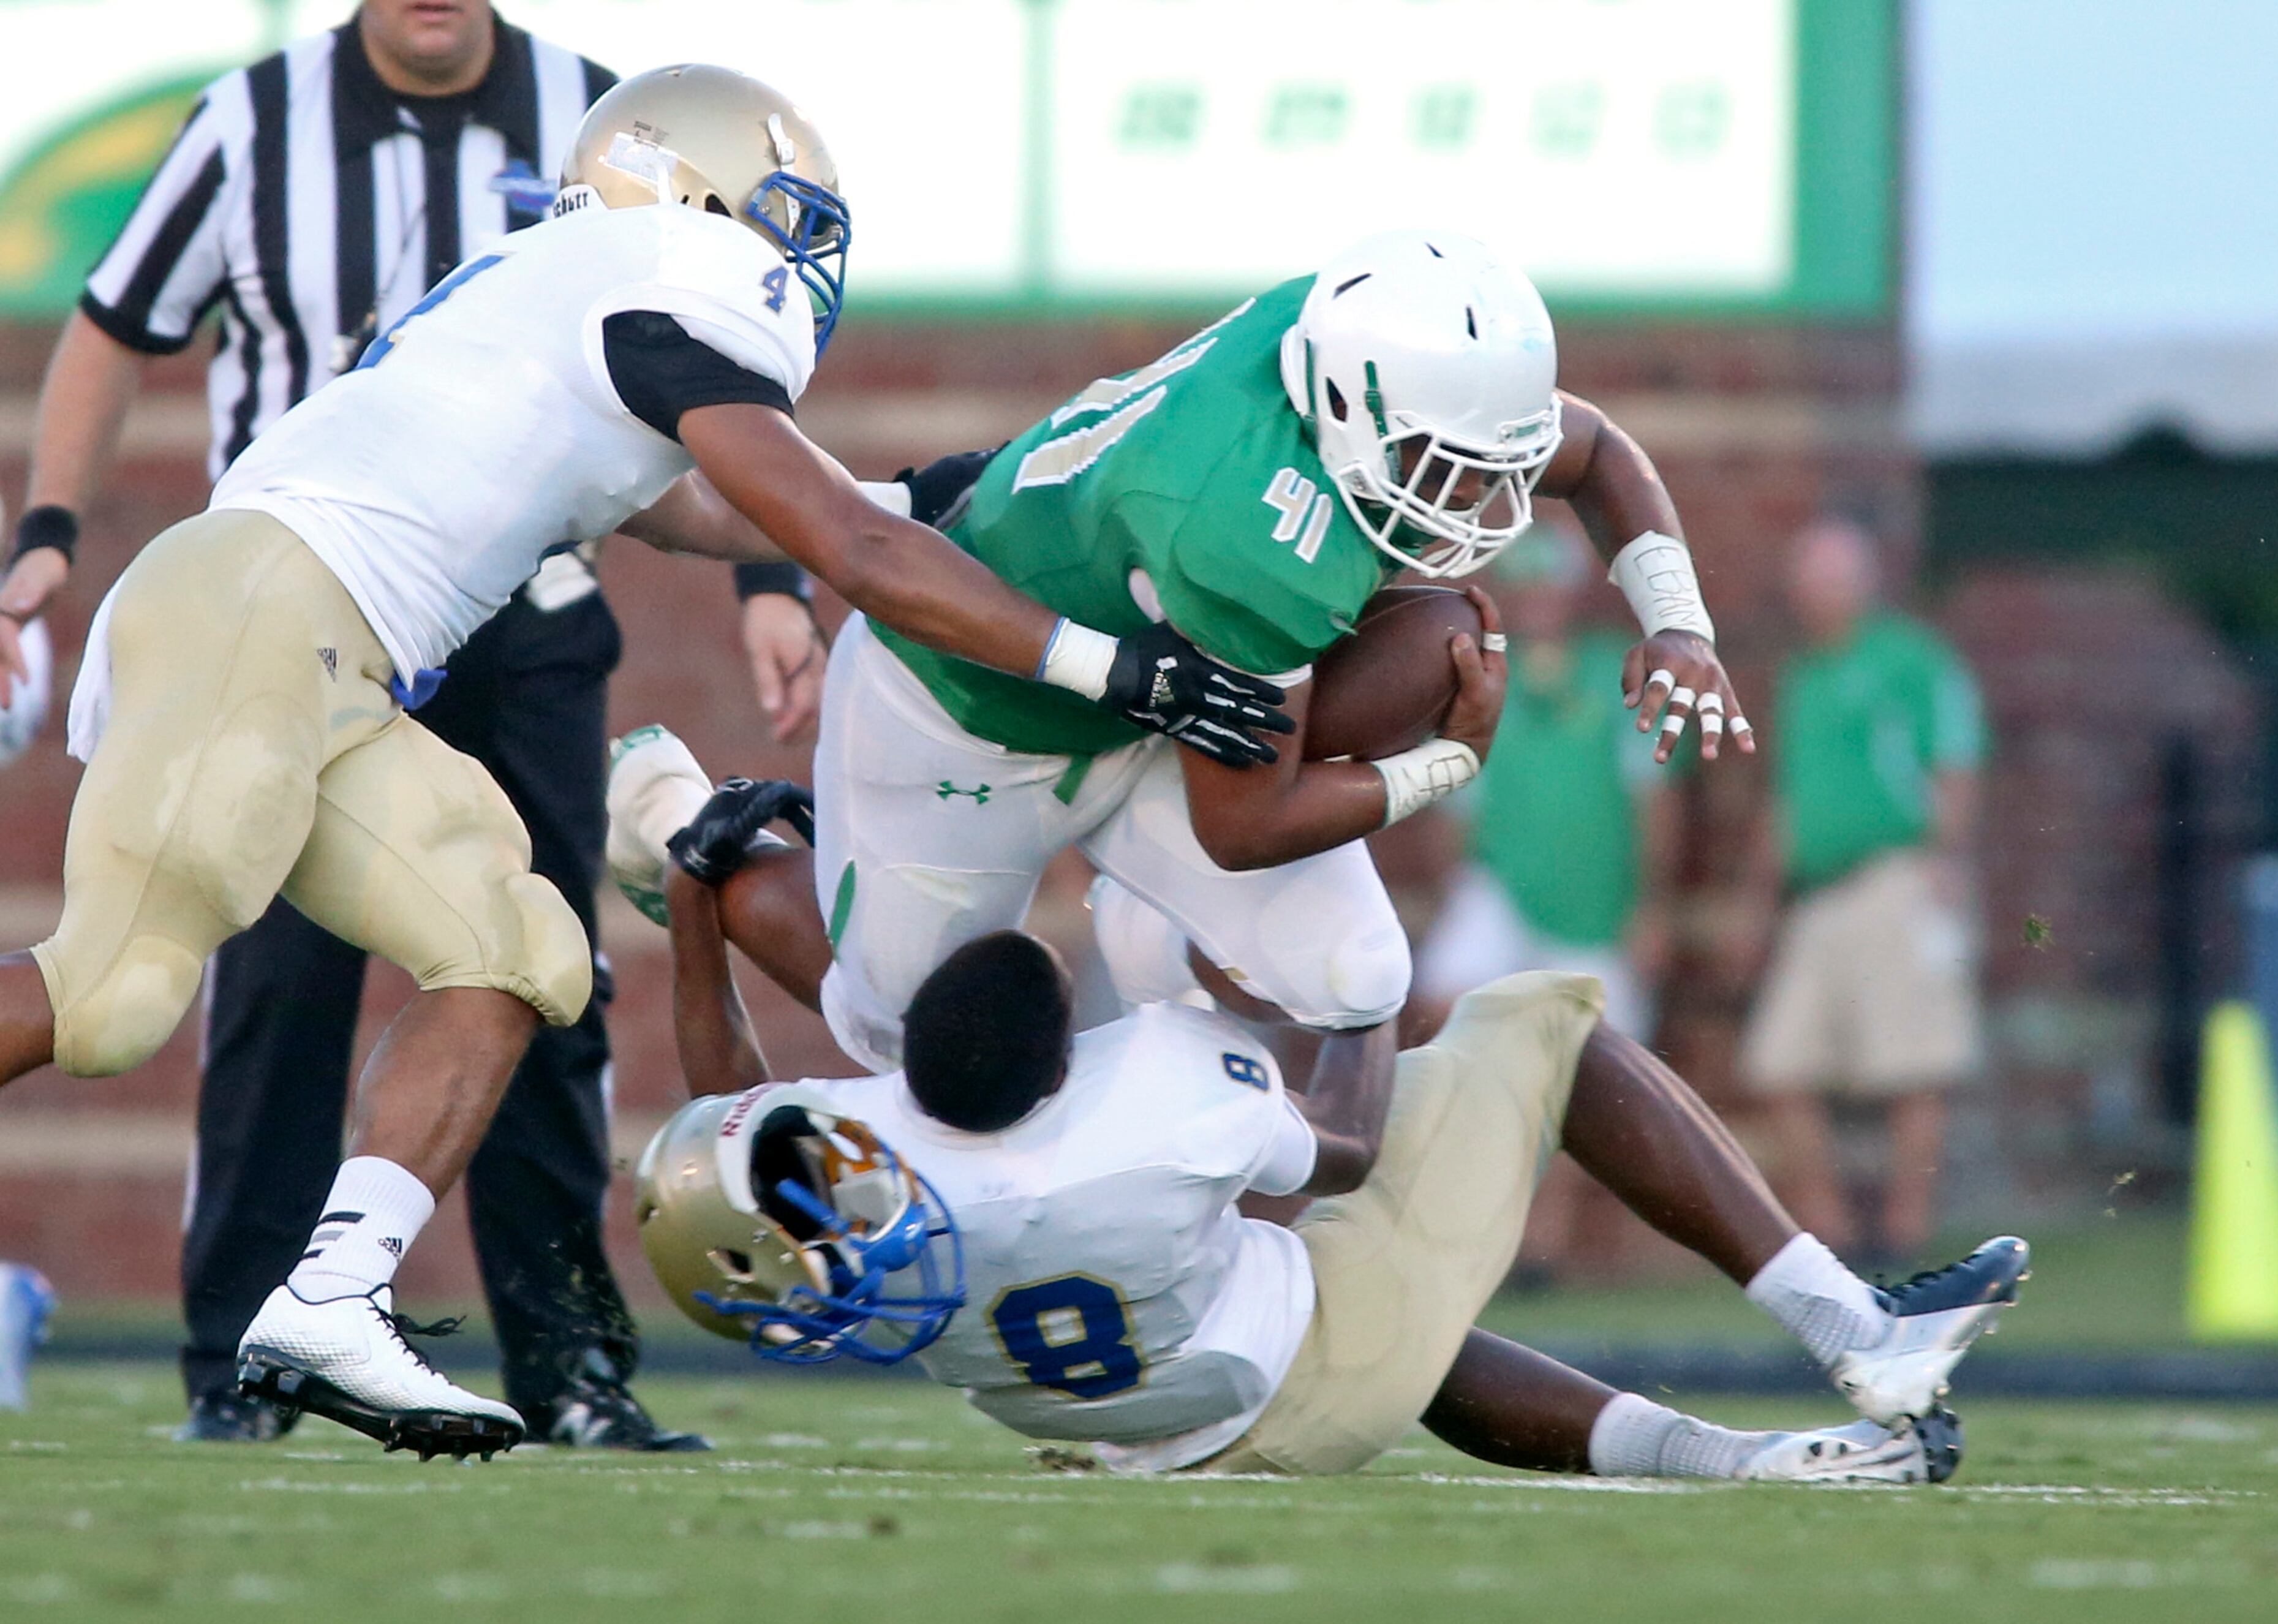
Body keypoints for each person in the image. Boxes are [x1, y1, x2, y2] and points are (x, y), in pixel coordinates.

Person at [0, 62, 1286, 1462]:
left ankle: (330, 1301)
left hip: (338, 659)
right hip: (262, 602)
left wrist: (935, 487)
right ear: (697, 196)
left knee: (517, 955)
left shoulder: (573, 296)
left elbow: (703, 515)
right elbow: (843, 551)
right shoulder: (660, 267)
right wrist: (1114, 666)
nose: (795, 255)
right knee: (119, 993)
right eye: (779, 216)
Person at [0, 0, 726, 1449]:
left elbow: (691, 408)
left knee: (535, 957)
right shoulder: (251, 121)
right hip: (283, 598)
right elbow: (111, 324)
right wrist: (46, 531)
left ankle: (459, 1337)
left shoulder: (606, 117)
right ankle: (237, 1362)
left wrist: (800, 562)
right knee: (180, 992)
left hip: (515, 608)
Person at [632, 227, 1754, 1084]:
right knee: (906, 1039)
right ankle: (696, 844)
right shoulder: (1254, 532)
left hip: (1161, 695)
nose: (1479, 498)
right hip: (966, 717)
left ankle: (1152, 953)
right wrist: (1445, 767)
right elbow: (1246, 824)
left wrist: (1679, 622)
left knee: (1360, 975)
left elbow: (1594, 449)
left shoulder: (1351, 353)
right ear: (1350, 411)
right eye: (1446, 462)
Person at [625, 803, 2028, 1484]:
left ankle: (1766, 1456)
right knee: (1536, 1020)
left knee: (1359, 1289)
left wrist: (697, 911)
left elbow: (734, 1100)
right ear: (1062, 1049)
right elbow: (1344, 1147)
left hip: (1125, 1428)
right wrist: (1365, 976)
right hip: (1288, 1368)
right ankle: (1848, 1323)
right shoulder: (1156, 1094)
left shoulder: (866, 1214)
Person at [1412, 523, 1684, 1279]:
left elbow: (1654, 801)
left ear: (1571, 591)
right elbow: (1456, 806)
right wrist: (1449, 892)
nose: (1536, 600)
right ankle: (1458, 1201)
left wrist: (1652, 909)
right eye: (1523, 584)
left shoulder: (1617, 675)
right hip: (1500, 888)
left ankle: (1543, 1244)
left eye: (1547, 584)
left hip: (1597, 901)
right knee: (1439, 999)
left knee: (1587, 1070)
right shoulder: (1482, 683)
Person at [1739, 516, 1988, 1267]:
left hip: (1894, 876)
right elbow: (1788, 799)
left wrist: (1946, 854)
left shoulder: (1911, 661)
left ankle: (1904, 1234)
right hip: (1819, 893)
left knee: (1912, 1065)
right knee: (1780, 1065)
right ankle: (1834, 1234)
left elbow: (1956, 761)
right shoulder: (1800, 676)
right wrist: (1759, 897)